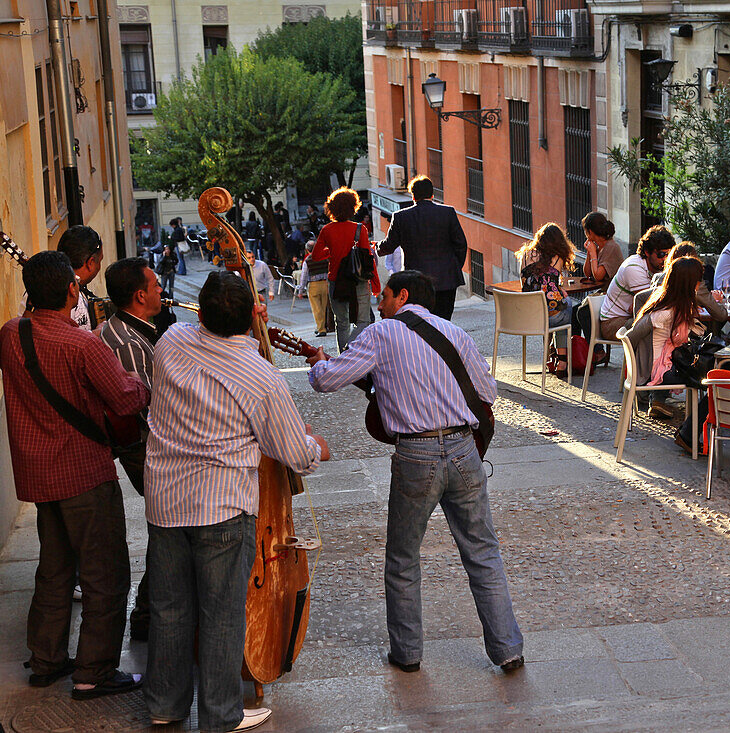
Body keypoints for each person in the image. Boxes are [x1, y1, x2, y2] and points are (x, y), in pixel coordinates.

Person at [306, 270, 525, 674]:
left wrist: (319, 365)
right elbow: (489, 393)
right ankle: (508, 649)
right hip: (464, 450)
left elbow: (329, 381)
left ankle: (407, 654)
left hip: (416, 455)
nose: (380, 300)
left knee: (403, 558)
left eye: (385, 294)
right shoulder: (454, 333)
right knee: (483, 553)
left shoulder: (381, 333)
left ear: (402, 296)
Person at [143, 272, 329, 732]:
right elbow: (292, 452)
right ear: (250, 316)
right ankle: (221, 716)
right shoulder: (260, 377)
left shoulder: (170, 343)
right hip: (222, 507)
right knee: (222, 612)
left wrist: (245, 323)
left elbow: (193, 331)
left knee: (169, 607)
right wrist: (316, 447)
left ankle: (165, 704)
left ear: (201, 313)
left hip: (165, 499)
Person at [0, 251, 149, 698]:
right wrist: (143, 380)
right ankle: (94, 671)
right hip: (83, 472)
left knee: (55, 568)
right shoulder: (82, 344)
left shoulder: (10, 334)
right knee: (105, 574)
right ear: (72, 289)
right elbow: (125, 400)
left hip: (39, 474)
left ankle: (45, 659)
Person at [99, 257, 163, 641]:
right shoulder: (127, 343)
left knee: (170, 528)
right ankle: (147, 613)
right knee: (171, 528)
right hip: (143, 446)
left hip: (144, 443)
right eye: (155, 285)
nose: (160, 290)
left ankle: (151, 610)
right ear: (140, 296)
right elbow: (146, 409)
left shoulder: (130, 331)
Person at [628, 257, 709, 437]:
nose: (700, 284)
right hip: (657, 372)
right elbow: (630, 336)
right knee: (707, 379)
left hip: (660, 365)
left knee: (704, 373)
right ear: (689, 284)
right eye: (699, 279)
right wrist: (638, 365)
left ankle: (694, 428)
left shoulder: (670, 303)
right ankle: (692, 433)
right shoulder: (666, 312)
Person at [376, 176, 468, 320]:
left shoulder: (400, 217)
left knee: (420, 321)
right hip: (446, 278)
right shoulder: (448, 212)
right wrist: (454, 266)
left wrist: (376, 247)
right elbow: (461, 244)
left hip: (416, 282)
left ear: (413, 196)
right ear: (432, 194)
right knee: (444, 320)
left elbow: (389, 245)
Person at [313, 187, 376, 352]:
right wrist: (375, 282)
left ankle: (344, 355)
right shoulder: (359, 229)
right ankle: (351, 349)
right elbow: (367, 258)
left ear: (331, 208)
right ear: (353, 207)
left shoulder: (326, 230)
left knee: (341, 322)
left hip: (336, 280)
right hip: (358, 280)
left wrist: (332, 251)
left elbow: (316, 255)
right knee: (363, 321)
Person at [598, 225, 674, 339]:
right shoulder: (634, 268)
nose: (665, 259)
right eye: (661, 254)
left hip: (631, 316)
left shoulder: (659, 266)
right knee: (652, 326)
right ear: (647, 252)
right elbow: (647, 304)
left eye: (668, 255)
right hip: (613, 323)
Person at [518, 223, 575, 375]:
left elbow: (525, 283)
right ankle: (562, 361)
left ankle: (549, 355)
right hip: (550, 317)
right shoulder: (557, 258)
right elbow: (552, 286)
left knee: (552, 307)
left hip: (528, 317)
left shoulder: (526, 254)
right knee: (565, 305)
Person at [55, 225, 105, 330]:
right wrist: (97, 334)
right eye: (100, 261)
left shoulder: (42, 282)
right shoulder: (63, 293)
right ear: (90, 263)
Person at [581, 211, 623, 284]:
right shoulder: (598, 246)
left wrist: (593, 252)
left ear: (590, 231)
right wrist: (589, 251)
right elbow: (587, 273)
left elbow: (598, 276)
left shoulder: (611, 247)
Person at [302, 239, 331, 336]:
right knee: (323, 307)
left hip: (313, 285)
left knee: (316, 308)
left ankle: (321, 329)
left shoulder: (307, 260)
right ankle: (321, 326)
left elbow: (304, 276)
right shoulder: (324, 258)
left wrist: (301, 290)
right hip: (325, 284)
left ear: (307, 250)